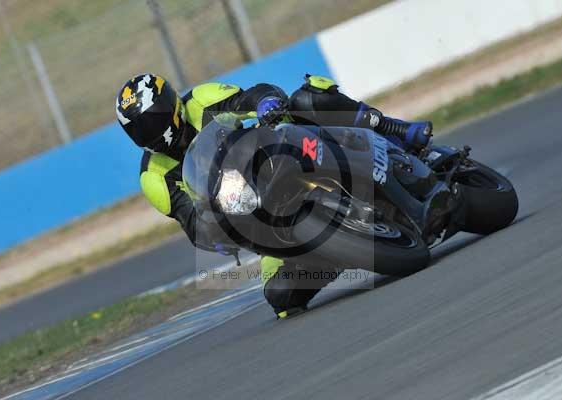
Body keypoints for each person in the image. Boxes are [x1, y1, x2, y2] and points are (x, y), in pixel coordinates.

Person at [115, 73, 433, 318]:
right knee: (280, 297)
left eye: (153, 119)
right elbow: (193, 226)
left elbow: (252, 96)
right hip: (261, 216)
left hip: (279, 153)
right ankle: (334, 251)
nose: (150, 132)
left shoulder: (201, 99)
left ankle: (398, 131)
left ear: (171, 105)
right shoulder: (154, 176)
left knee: (309, 98)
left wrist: (266, 102)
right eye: (139, 129)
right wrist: (215, 231)